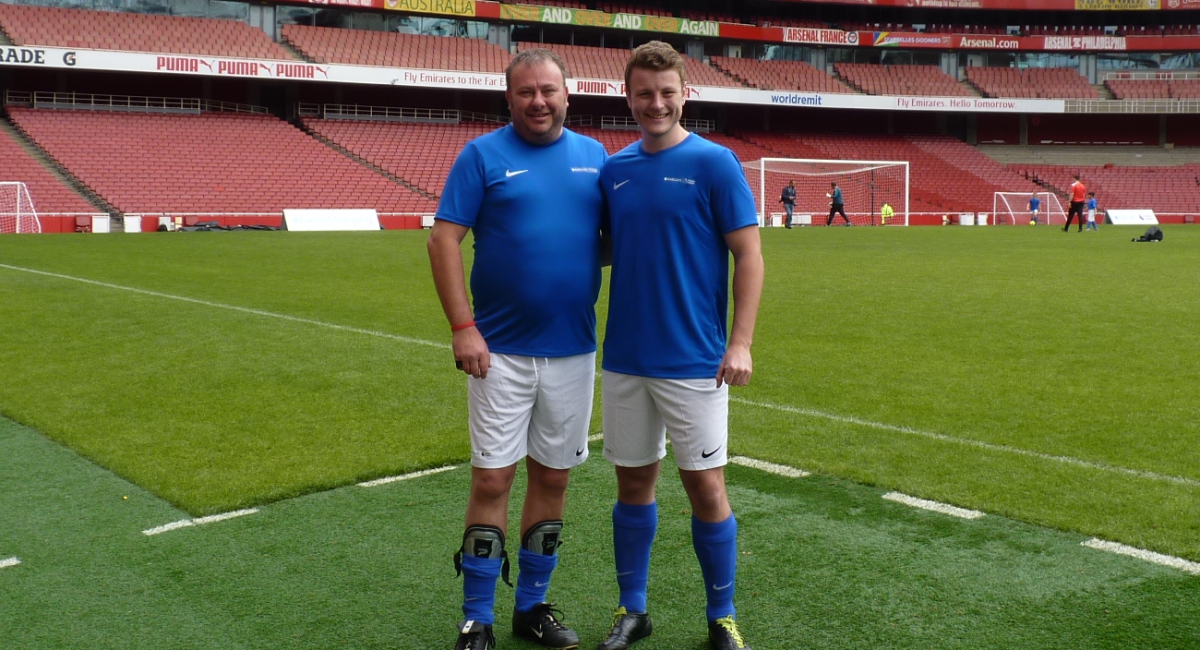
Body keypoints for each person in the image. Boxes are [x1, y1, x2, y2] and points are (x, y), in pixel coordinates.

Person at [427, 47, 608, 650]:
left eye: (549, 90)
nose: (539, 101)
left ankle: (532, 607)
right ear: (509, 98)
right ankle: (476, 614)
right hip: (498, 351)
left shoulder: (594, 157)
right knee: (492, 480)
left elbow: (607, 241)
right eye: (526, 92)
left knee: (553, 478)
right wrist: (462, 325)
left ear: (567, 94)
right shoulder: (481, 155)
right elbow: (444, 240)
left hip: (574, 350)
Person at [596, 41, 764, 650]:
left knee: (706, 487)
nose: (656, 103)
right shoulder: (615, 171)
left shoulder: (716, 163)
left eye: (667, 92)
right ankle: (632, 610)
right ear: (629, 95)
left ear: (684, 94)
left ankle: (721, 617)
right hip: (625, 358)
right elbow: (606, 247)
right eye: (645, 93)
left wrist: (739, 342)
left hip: (695, 359)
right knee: (633, 487)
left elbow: (749, 254)